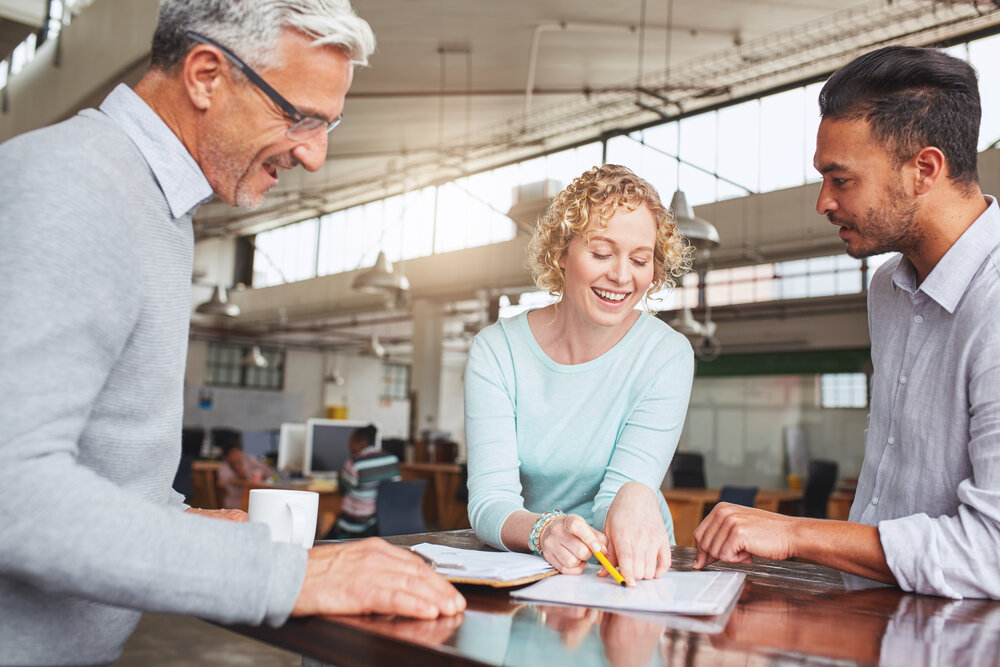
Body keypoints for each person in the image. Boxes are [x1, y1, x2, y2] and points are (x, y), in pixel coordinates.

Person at [0, 1, 463, 664]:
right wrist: (290, 576)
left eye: (330, 124)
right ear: (206, 76)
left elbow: (97, 468)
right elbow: (13, 489)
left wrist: (192, 527)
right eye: (299, 116)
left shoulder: (155, 209)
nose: (315, 154)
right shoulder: (74, 186)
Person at [693, 45, 1000, 600]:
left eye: (841, 179)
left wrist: (792, 532)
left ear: (924, 169)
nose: (822, 203)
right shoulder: (887, 287)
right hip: (865, 610)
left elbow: (992, 555)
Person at [464, 164, 695, 585]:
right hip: (536, 562)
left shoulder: (666, 355)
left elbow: (617, 500)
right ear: (561, 253)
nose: (622, 276)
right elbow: (489, 501)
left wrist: (636, 495)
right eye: (602, 253)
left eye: (640, 260)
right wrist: (543, 530)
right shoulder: (497, 352)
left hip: (632, 565)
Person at [331, 424, 401, 538]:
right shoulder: (392, 459)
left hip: (357, 523)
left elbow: (343, 489)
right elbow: (396, 486)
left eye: (352, 442)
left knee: (328, 532)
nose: (349, 447)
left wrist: (340, 475)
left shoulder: (355, 462)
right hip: (383, 520)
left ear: (363, 442)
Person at [217, 439, 274, 509]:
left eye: (238, 452)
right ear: (227, 457)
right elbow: (227, 485)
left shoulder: (249, 460)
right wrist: (240, 472)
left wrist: (251, 474)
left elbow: (269, 471)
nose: (237, 456)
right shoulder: (224, 470)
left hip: (256, 497)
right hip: (237, 500)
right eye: (233, 454)